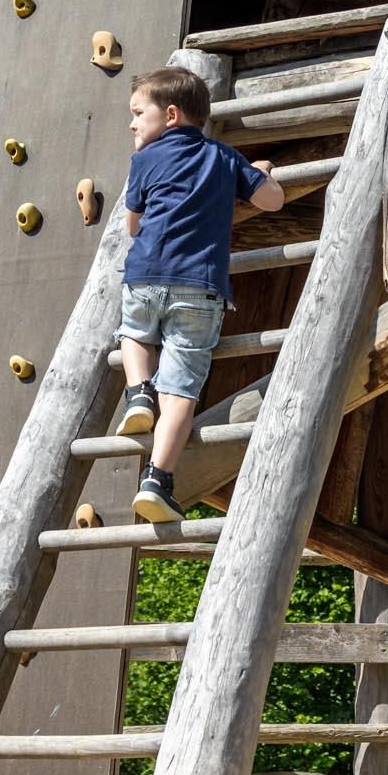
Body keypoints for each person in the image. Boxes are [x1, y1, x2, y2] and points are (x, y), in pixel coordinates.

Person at [117, 66, 285, 521]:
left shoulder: (144, 161)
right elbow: (273, 201)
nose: (132, 123)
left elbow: (132, 225)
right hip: (199, 288)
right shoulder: (224, 157)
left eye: (137, 113)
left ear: (170, 115)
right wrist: (258, 171)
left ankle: (136, 393)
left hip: (144, 277)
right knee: (182, 390)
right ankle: (157, 479)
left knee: (132, 333)